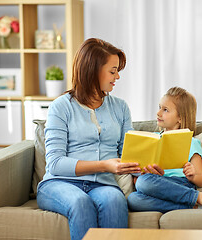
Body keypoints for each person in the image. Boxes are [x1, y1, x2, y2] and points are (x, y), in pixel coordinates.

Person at [36, 38, 141, 240]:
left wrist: (143, 166)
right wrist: (104, 166)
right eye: (112, 71)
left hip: (103, 185)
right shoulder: (61, 106)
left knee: (115, 201)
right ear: (93, 70)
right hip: (60, 183)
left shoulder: (120, 107)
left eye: (118, 70)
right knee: (79, 203)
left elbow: (127, 153)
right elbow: (55, 163)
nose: (117, 76)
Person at [127, 87, 202, 213]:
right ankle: (193, 204)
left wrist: (192, 175)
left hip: (181, 184)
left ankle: (197, 196)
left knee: (143, 183)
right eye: (159, 107)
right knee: (133, 199)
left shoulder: (191, 142)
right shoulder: (153, 139)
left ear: (180, 117)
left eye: (165, 110)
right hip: (158, 184)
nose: (158, 113)